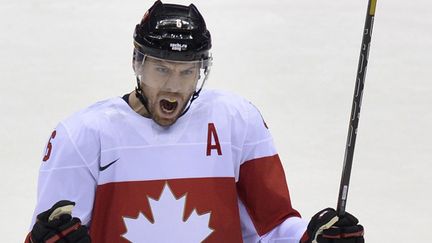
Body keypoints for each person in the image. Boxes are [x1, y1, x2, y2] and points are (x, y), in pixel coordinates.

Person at [25, 1, 364, 242]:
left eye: (187, 72)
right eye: (161, 68)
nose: (174, 85)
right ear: (137, 64)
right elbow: (53, 230)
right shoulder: (82, 135)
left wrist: (315, 238)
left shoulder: (236, 120)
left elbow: (272, 227)